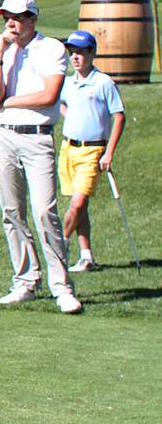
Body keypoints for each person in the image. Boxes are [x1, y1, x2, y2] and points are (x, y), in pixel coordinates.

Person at [0, 0, 80, 314]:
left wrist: (7, 103)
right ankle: (25, 279)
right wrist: (0, 52)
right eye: (6, 16)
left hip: (37, 138)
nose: (11, 22)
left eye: (17, 16)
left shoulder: (50, 48)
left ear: (32, 19)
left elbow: (50, 95)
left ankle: (61, 286)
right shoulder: (0, 54)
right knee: (11, 212)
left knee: (43, 212)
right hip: (3, 136)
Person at [58, 29, 126, 273]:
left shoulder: (103, 82)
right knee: (81, 206)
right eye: (72, 52)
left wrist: (109, 152)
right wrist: (70, 118)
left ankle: (59, 250)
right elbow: (62, 105)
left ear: (92, 52)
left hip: (93, 151)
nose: (75, 57)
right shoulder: (68, 82)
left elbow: (119, 117)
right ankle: (86, 256)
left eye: (80, 52)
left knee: (76, 205)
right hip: (68, 149)